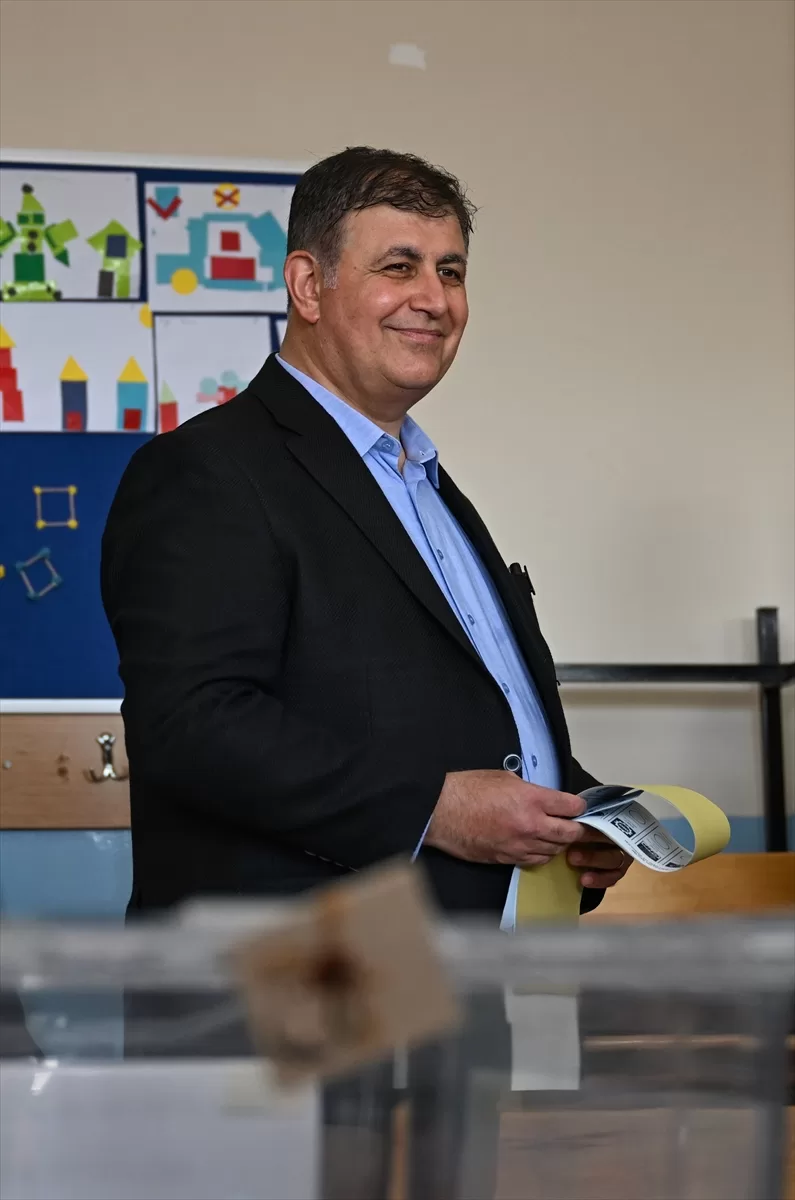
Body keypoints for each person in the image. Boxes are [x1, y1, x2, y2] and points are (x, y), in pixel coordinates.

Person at [101, 146, 631, 1198]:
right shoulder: (208, 471)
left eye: (451, 270)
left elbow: (441, 697)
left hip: (454, 969)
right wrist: (435, 808)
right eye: (399, 266)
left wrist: (569, 809)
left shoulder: (425, 481)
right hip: (302, 971)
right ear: (308, 284)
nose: (434, 298)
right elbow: (195, 722)